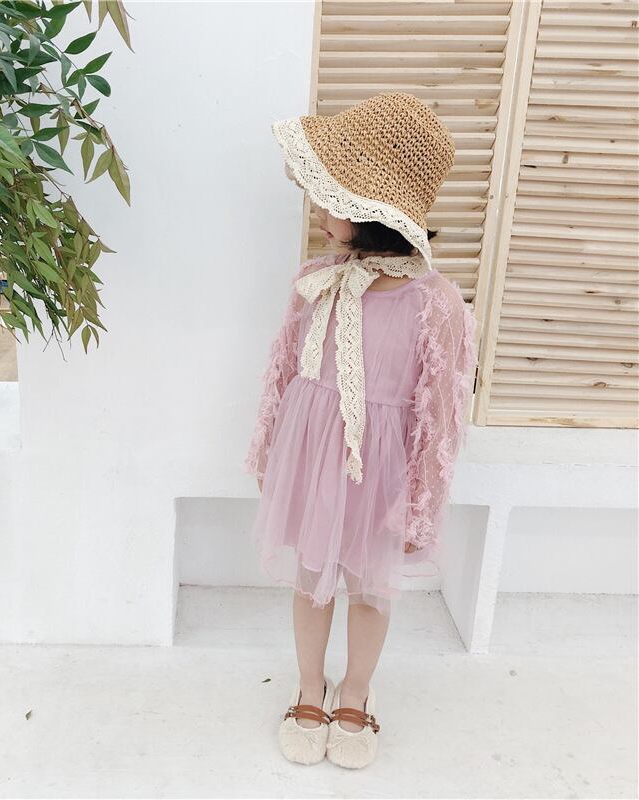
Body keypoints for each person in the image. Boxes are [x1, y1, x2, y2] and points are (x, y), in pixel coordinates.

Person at [244, 92, 479, 770]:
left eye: (330, 200)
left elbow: (439, 411)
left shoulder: (435, 302)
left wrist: (422, 503)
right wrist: (270, 450)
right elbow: (284, 368)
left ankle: (356, 692)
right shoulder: (315, 281)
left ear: (373, 208)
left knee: (371, 587)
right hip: (312, 458)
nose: (318, 212)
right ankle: (308, 687)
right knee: (310, 575)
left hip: (381, 471)